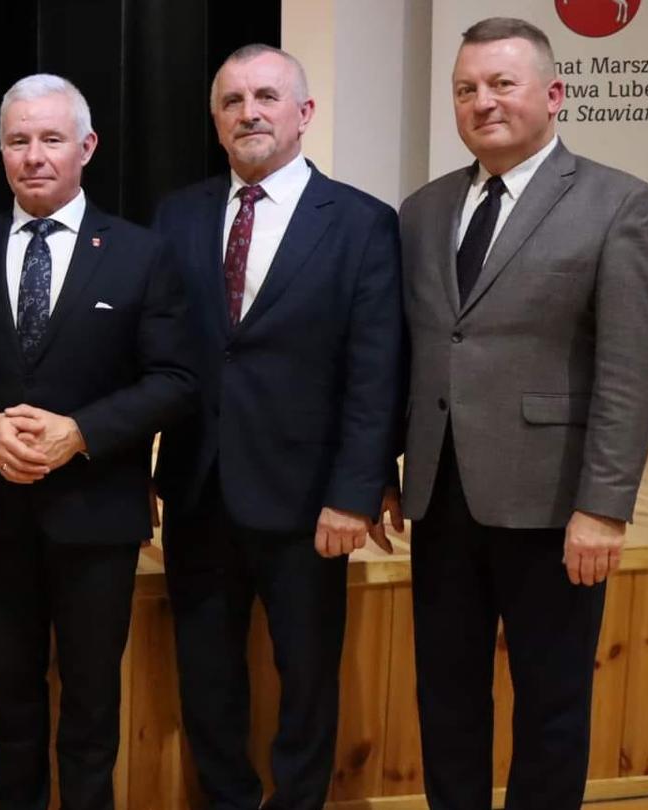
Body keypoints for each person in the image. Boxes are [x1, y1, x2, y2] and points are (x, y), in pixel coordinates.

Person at [399, 17, 648, 809]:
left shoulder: (620, 204)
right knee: (445, 695)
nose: (482, 101)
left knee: (551, 704)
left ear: (553, 95)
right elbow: (415, 348)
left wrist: (604, 508)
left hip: (555, 507)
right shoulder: (423, 210)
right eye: (466, 88)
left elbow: (632, 368)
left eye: (502, 84)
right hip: (441, 496)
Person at [0, 73, 195, 810]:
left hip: (98, 517)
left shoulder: (142, 254)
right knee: (10, 709)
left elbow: (175, 377)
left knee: (90, 711)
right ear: (1, 150)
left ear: (87, 146)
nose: (34, 156)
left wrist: (82, 433)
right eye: (18, 140)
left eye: (50, 139)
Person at [150, 44, 403, 810]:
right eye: (232, 101)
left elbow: (375, 368)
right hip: (199, 490)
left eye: (266, 96)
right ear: (217, 120)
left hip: (307, 501)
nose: (249, 112)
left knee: (307, 674)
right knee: (208, 675)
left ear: (304, 113)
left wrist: (356, 491)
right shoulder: (178, 213)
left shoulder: (362, 223)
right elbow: (158, 355)